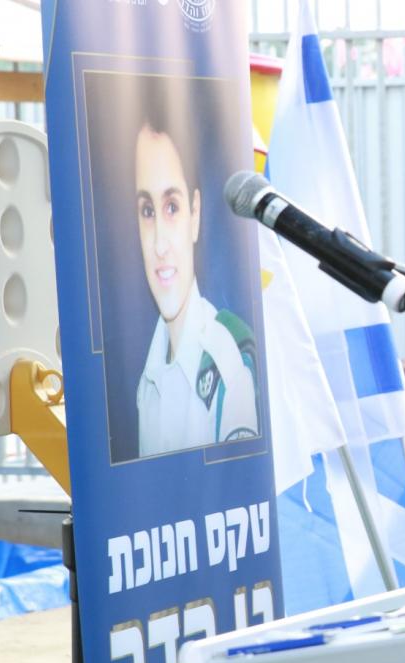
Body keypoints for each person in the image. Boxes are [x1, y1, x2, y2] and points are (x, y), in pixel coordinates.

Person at [133, 83, 260, 458]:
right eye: (147, 211)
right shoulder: (147, 383)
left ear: (196, 214)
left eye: (172, 208)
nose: (159, 244)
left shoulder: (228, 362)